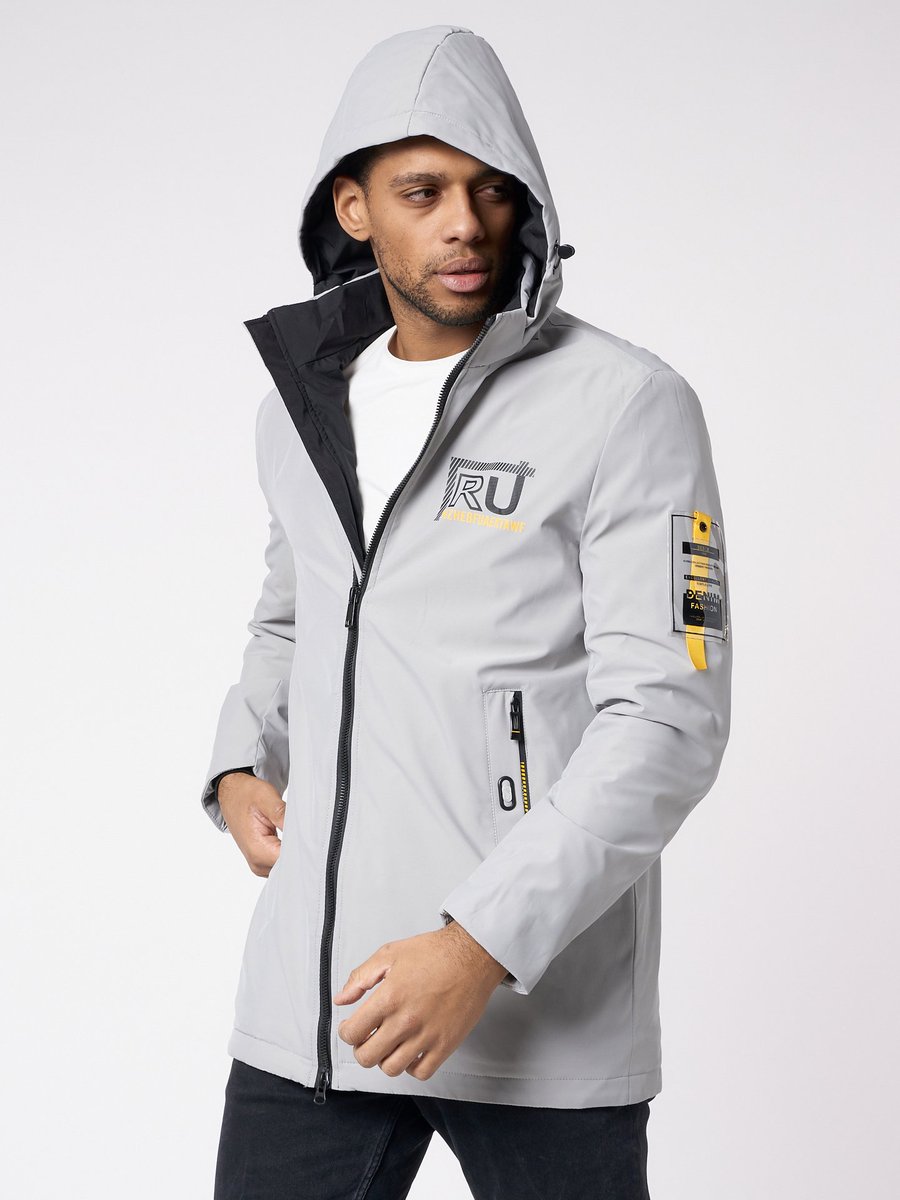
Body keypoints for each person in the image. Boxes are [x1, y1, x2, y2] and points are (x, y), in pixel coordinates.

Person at [201, 23, 732, 1200]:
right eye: (423, 191)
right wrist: (242, 762)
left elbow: (669, 718)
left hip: (537, 1007)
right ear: (353, 209)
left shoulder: (627, 403)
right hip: (315, 1007)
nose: (465, 224)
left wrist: (479, 942)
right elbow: (291, 619)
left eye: (493, 191)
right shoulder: (302, 406)